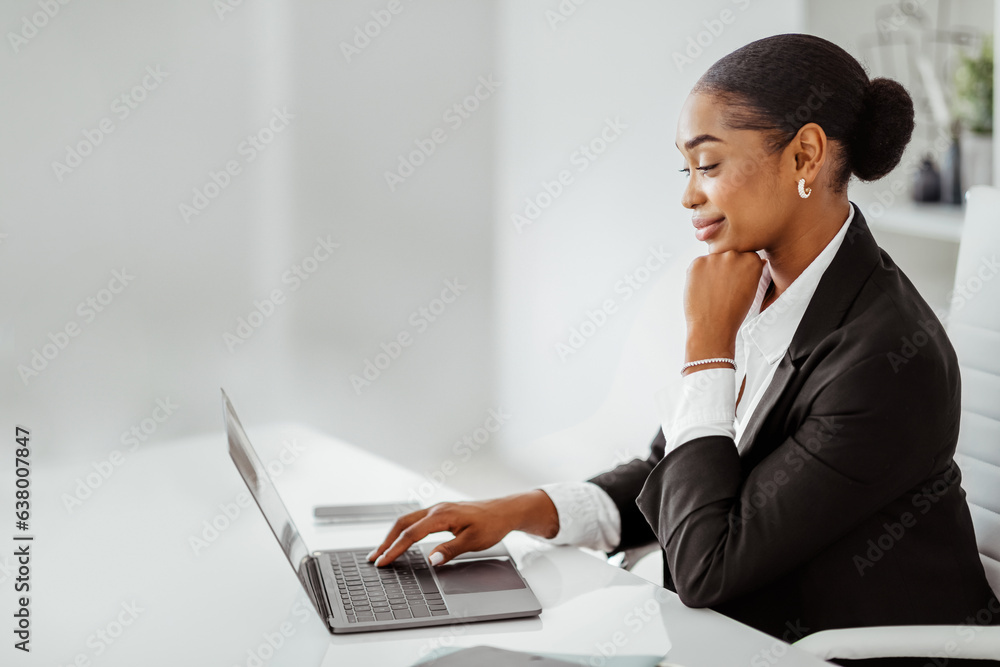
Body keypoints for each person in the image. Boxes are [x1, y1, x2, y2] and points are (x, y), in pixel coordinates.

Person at [368, 34, 1000, 665]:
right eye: (686, 167)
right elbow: (679, 474)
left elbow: (706, 565)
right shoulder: (759, 287)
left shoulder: (885, 358)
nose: (689, 195)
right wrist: (522, 510)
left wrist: (707, 350)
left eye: (710, 164)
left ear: (805, 155)